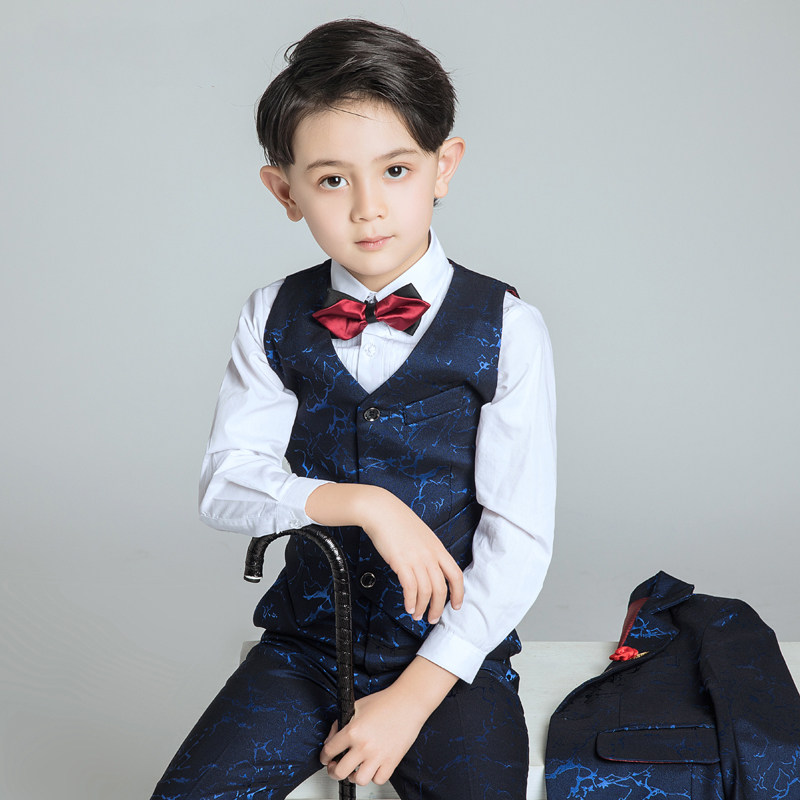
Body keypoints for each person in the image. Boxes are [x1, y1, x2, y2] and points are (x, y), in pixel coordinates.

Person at [151, 18, 556, 800]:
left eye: (396, 170)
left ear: (443, 167)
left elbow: (520, 540)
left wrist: (414, 696)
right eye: (333, 180)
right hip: (305, 648)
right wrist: (363, 503)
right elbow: (227, 485)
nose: (369, 209)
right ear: (286, 192)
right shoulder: (271, 314)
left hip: (450, 655)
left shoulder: (509, 327)